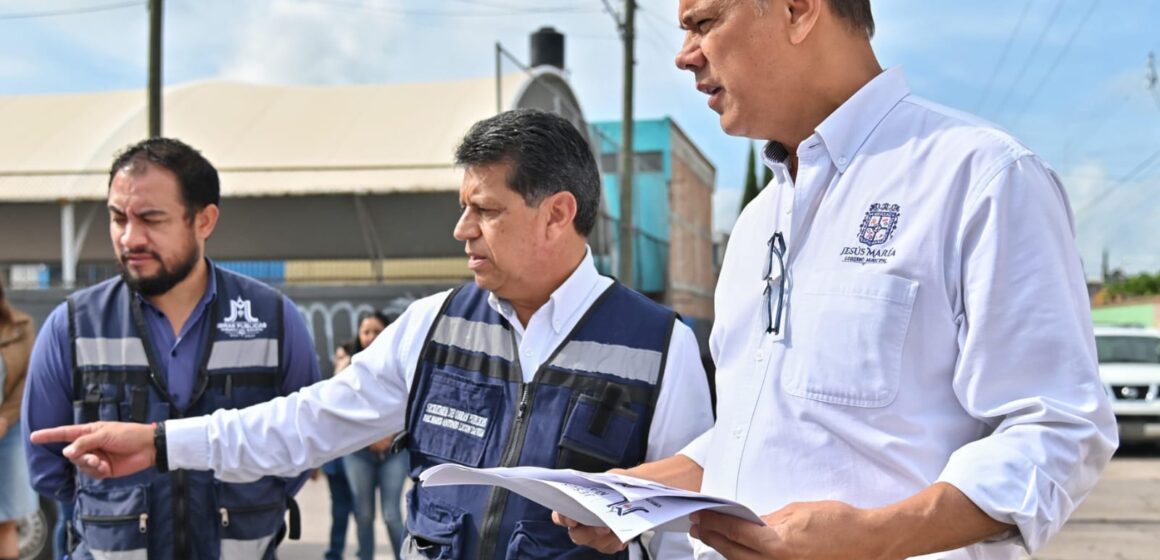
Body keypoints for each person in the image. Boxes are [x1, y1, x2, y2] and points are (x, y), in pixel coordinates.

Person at [556, 1, 1119, 558]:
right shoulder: (757, 221)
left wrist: (876, 537)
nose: (685, 56)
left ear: (798, 11)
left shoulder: (980, 178)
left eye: (703, 23)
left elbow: (1055, 427)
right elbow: (761, 431)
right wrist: (634, 494)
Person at [31, 109, 715, 559]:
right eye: (462, 207)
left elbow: (691, 528)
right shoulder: (434, 326)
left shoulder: (658, 346)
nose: (462, 230)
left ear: (557, 214)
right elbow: (303, 423)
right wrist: (158, 443)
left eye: (485, 210)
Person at [21, 137, 321, 560]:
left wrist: (244, 499)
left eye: (151, 219)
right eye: (117, 217)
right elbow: (47, 466)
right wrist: (112, 506)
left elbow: (303, 442)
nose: (130, 237)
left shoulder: (273, 319)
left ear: (204, 220)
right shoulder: (71, 326)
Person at [343, 311, 409, 560]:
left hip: (392, 452)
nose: (371, 337)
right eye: (366, 331)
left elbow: (408, 406)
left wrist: (388, 435)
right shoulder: (349, 369)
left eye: (377, 331)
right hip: (359, 454)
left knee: (392, 514)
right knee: (363, 515)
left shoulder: (400, 365)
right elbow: (344, 411)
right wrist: (371, 437)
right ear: (358, 336)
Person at [0, 277, 37, 560]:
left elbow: (28, 379)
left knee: (5, 517)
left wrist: (4, 418)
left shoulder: (21, 326)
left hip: (7, 429)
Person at [320, 339, 358, 560]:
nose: (338, 361)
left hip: (355, 462)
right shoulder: (329, 385)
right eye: (338, 357)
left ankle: (364, 551)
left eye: (343, 356)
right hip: (335, 464)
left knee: (362, 512)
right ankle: (334, 553)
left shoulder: (354, 386)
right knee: (340, 511)